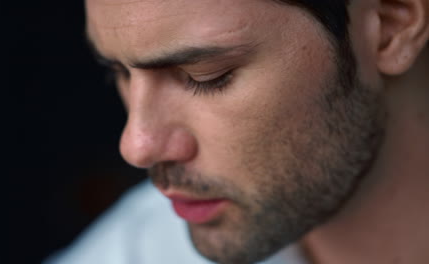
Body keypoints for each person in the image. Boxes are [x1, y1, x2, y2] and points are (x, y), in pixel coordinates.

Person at [45, 0, 429, 263]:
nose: (137, 146)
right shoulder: (138, 250)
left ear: (391, 28)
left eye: (207, 76)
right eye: (121, 74)